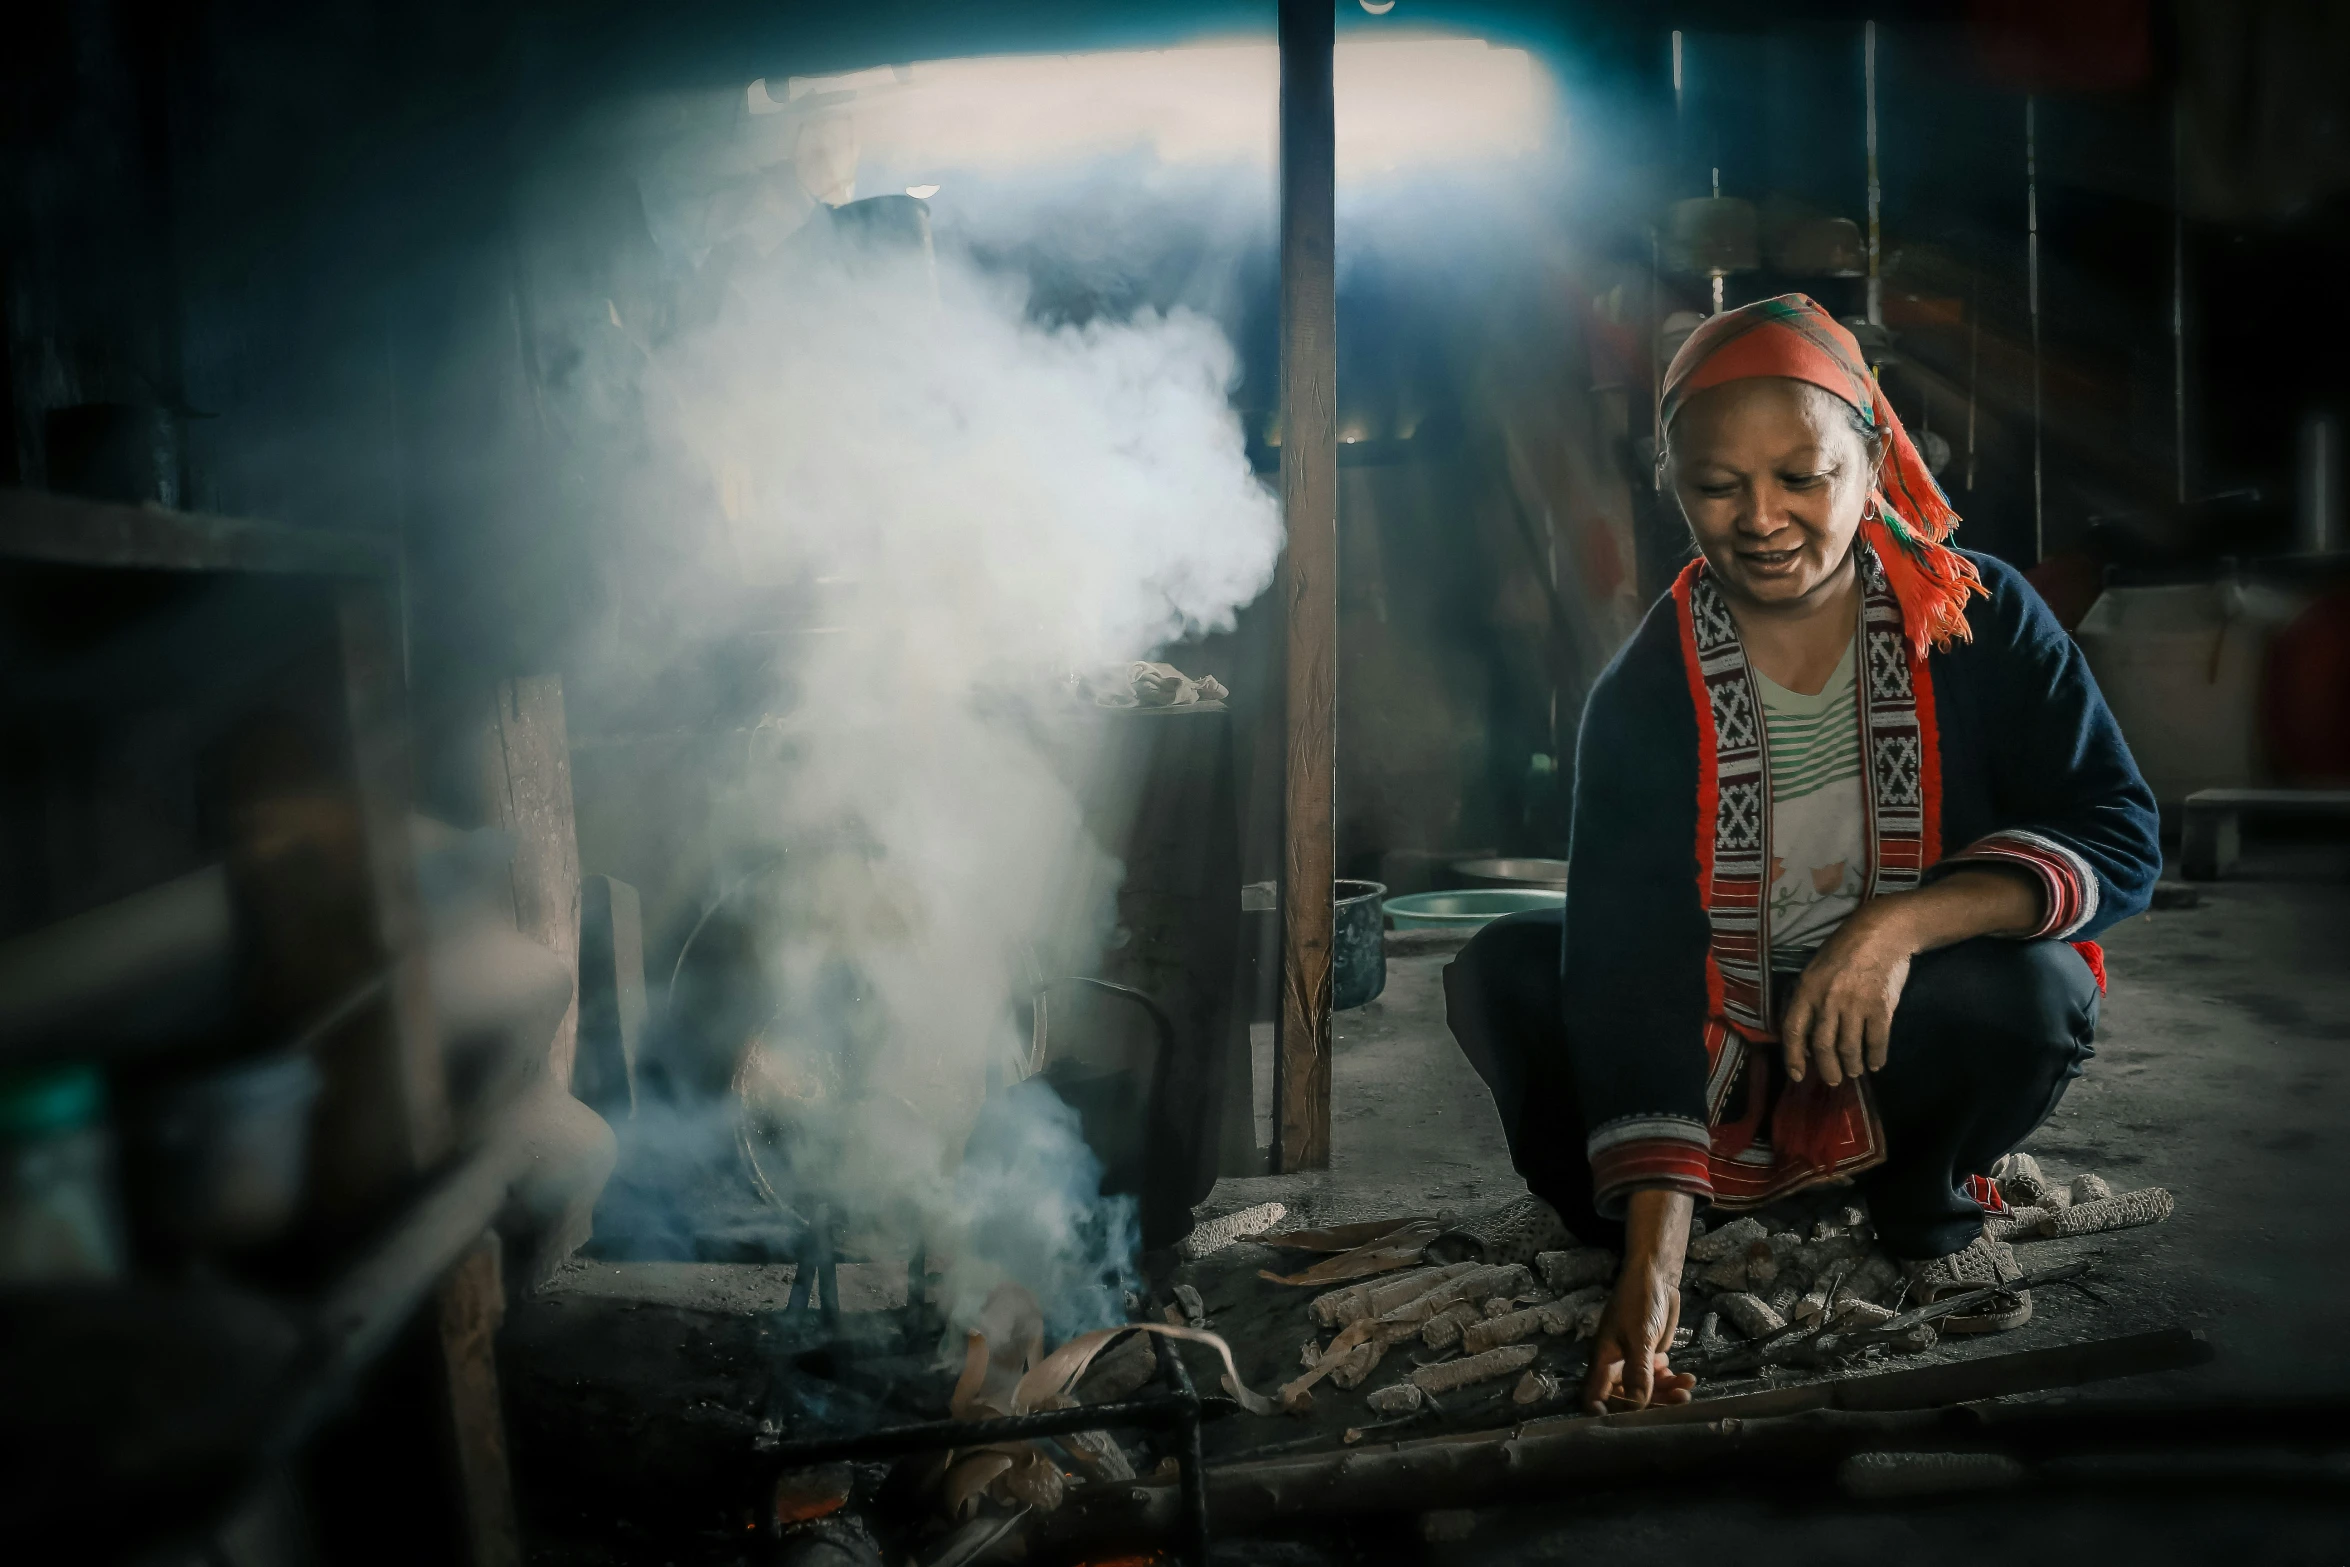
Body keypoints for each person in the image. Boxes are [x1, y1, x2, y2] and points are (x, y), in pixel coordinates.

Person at [1441, 295, 2160, 1415]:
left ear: (1871, 458)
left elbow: (2118, 832)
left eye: (1802, 477)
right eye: (1716, 485)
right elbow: (1630, 963)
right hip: (1711, 1028)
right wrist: (1652, 1269)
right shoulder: (1645, 689)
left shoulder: (1979, 618)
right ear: (1671, 480)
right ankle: (1672, 1201)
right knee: (1510, 970)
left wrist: (1894, 928)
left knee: (2034, 989)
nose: (1760, 517)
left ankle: (1915, 1188)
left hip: (1891, 1027)